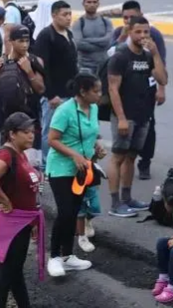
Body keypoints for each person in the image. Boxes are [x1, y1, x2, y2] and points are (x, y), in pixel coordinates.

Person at [0, 112, 44, 307]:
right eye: (26, 132)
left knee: (15, 272)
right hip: (12, 223)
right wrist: (4, 200)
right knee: (6, 273)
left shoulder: (20, 153)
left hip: (23, 222)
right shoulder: (6, 154)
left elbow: (27, 191)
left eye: (32, 132)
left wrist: (32, 222)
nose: (31, 135)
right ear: (12, 134)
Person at [107, 16, 168, 217]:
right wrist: (121, 118)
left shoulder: (148, 56)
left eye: (146, 32)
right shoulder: (120, 56)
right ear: (130, 32)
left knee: (131, 157)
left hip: (144, 115)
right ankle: (115, 203)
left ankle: (127, 198)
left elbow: (162, 79)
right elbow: (113, 89)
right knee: (118, 157)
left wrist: (156, 53)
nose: (143, 36)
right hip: (125, 116)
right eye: (138, 32)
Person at [45, 73, 103, 277]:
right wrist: (74, 154)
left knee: (75, 210)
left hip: (81, 170)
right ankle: (54, 258)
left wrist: (96, 147)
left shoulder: (94, 108)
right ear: (83, 92)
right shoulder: (65, 110)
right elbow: (52, 139)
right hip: (61, 169)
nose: (99, 95)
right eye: (96, 91)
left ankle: (68, 256)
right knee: (65, 212)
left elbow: (90, 134)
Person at [33, 0, 78, 166]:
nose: (68, 18)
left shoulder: (69, 34)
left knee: (67, 131)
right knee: (50, 131)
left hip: (71, 95)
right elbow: (40, 68)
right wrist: (50, 95)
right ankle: (47, 164)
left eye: (69, 14)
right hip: (55, 96)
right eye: (64, 15)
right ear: (54, 15)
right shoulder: (46, 36)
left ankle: (63, 161)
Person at [0, 25, 45, 144]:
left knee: (32, 161)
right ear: (11, 41)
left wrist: (29, 72)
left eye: (27, 41)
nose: (25, 45)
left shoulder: (34, 61)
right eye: (21, 41)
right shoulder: (1, 63)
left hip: (31, 122)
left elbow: (41, 89)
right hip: (8, 122)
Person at [73, 0, 113, 74]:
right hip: (85, 67)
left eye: (94, 2)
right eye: (89, 2)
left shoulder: (106, 22)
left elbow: (108, 42)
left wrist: (87, 40)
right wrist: (101, 46)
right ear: (83, 4)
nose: (92, 5)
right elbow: (79, 44)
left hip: (104, 66)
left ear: (98, 4)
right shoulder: (79, 23)